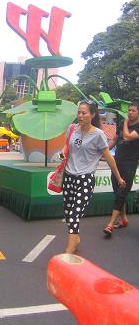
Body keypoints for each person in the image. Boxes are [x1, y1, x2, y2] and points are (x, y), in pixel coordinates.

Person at [61, 100, 126, 254]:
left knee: (75, 214)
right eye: (79, 112)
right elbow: (66, 146)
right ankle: (75, 239)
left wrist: (119, 178)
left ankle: (70, 248)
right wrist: (63, 152)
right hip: (69, 178)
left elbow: (109, 157)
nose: (80, 116)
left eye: (84, 113)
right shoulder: (72, 129)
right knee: (69, 212)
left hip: (85, 180)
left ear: (92, 114)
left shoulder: (98, 135)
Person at [103, 101, 139, 236]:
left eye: (133, 111)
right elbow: (114, 139)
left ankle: (110, 224)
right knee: (117, 191)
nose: (129, 112)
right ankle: (123, 219)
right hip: (117, 162)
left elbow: (127, 137)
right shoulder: (122, 124)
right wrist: (105, 150)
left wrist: (125, 124)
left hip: (130, 164)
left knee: (121, 192)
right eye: (129, 110)